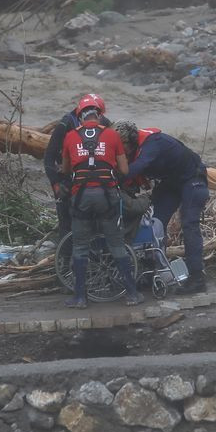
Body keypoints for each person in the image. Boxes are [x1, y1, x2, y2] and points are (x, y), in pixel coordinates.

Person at [60, 99, 141, 308]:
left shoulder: (70, 136)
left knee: (80, 247)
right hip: (107, 196)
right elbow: (124, 170)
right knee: (116, 244)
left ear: (80, 117)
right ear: (99, 116)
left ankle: (80, 298)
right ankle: (132, 295)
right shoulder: (112, 135)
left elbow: (66, 170)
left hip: (81, 197)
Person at [113, 121, 209, 294]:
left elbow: (139, 166)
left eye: (121, 147)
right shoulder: (131, 150)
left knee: (189, 223)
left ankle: (197, 278)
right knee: (154, 224)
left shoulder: (153, 143)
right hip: (170, 183)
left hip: (192, 179)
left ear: (132, 141)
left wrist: (112, 179)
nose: (119, 152)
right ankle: (152, 273)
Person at [43, 94, 112, 235]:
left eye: (98, 115)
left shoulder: (104, 122)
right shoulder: (66, 125)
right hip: (65, 177)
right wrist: (56, 184)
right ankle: (66, 247)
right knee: (66, 221)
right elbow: (49, 157)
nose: (95, 119)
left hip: (91, 176)